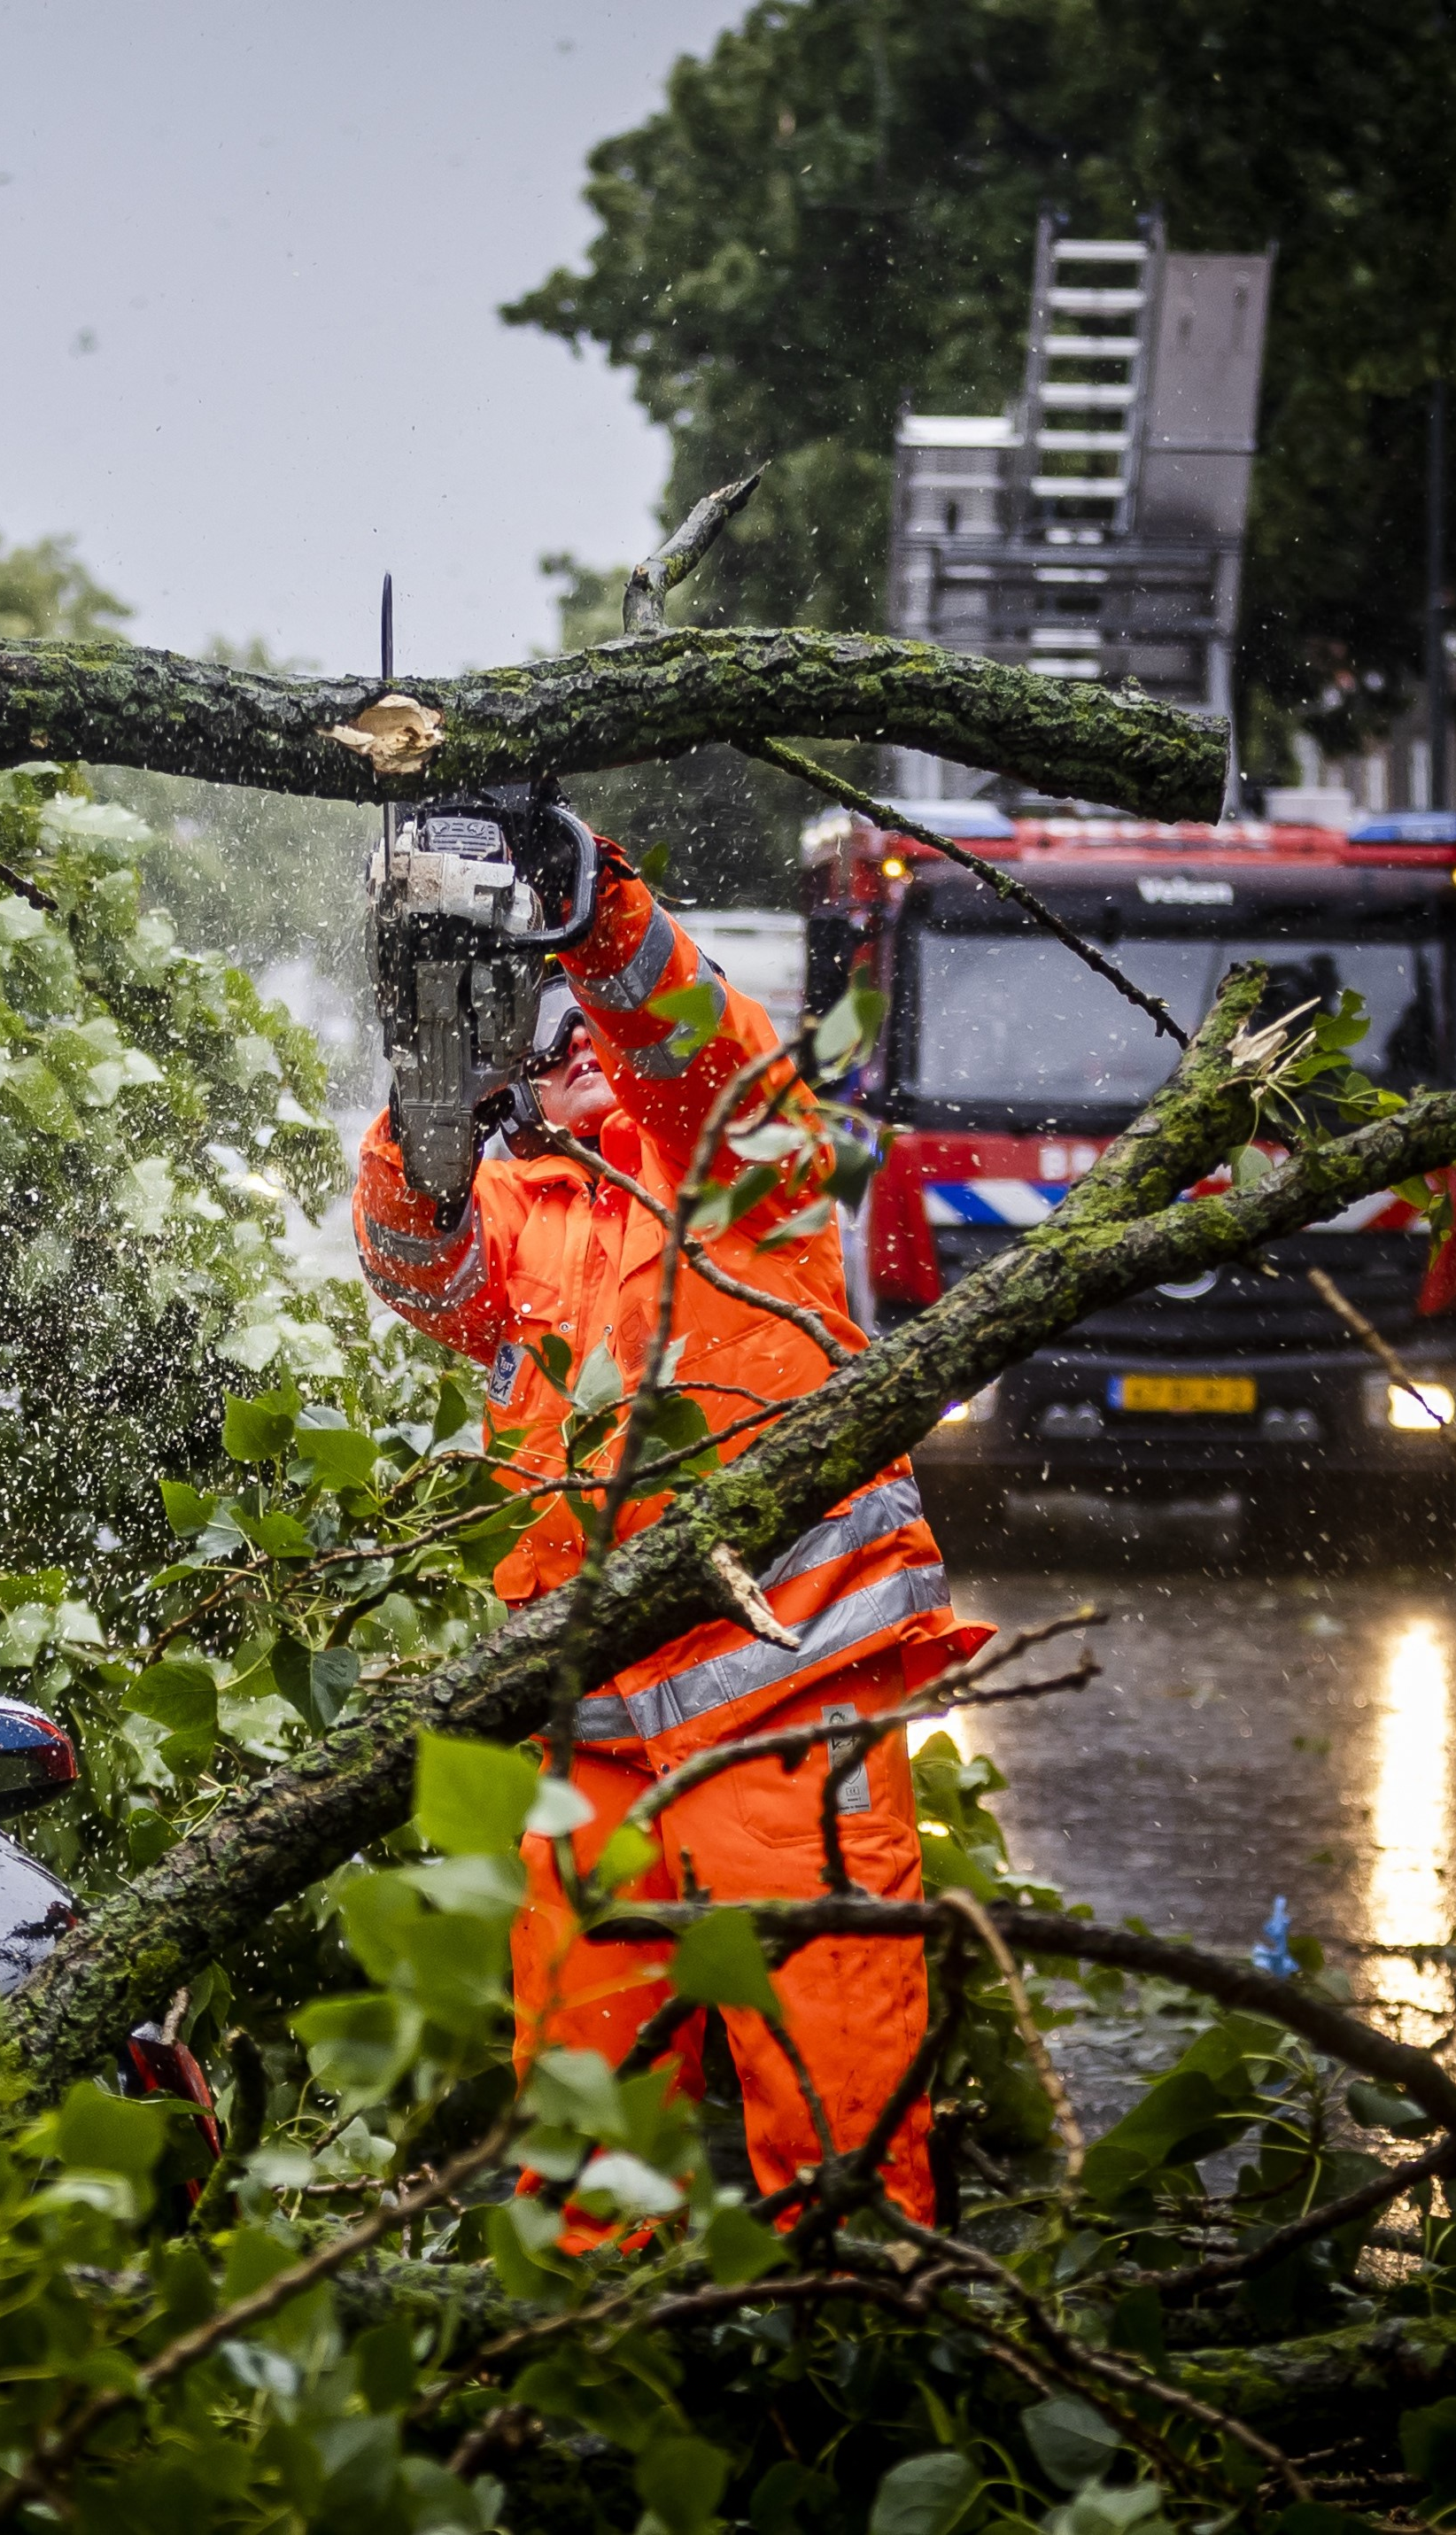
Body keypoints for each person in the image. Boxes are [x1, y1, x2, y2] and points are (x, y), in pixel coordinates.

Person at [352, 835, 987, 2227]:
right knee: (580, 2163)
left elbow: (685, 1029)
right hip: (591, 1757)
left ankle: (848, 2354)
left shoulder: (748, 1158)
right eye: (547, 1018)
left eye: (596, 1015)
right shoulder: (523, 1212)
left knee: (838, 2153)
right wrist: (427, 1082)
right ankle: (583, 2395)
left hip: (787, 1726)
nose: (577, 1032)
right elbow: (412, 1263)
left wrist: (576, 884)